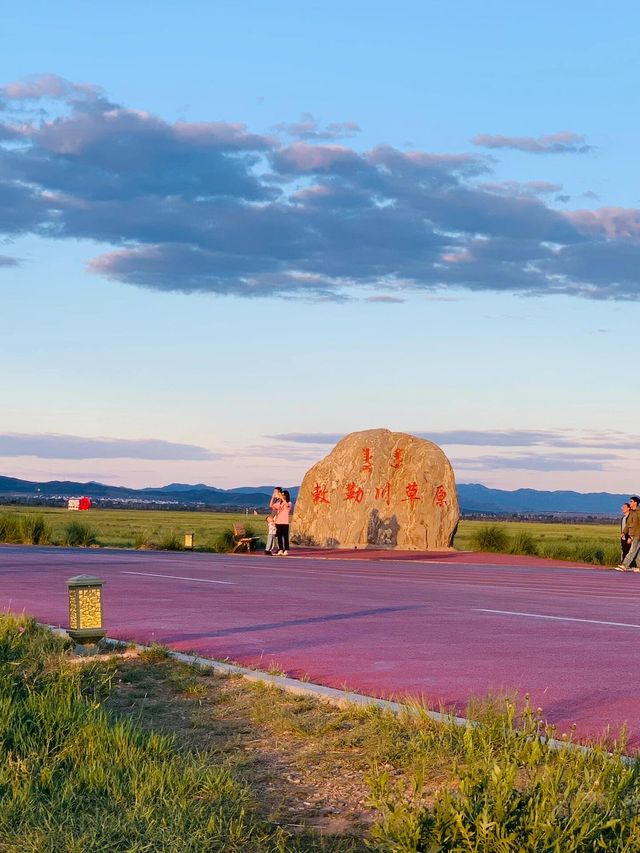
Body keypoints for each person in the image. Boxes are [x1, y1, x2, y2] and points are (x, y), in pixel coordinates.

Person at [616, 495, 640, 571]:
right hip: (633, 534)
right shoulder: (632, 512)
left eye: (631, 501)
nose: (630, 503)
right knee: (637, 552)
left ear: (635, 503)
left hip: (637, 534)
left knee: (632, 550)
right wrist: (624, 532)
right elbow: (628, 524)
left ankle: (624, 565)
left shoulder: (638, 512)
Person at [270, 487, 292, 556]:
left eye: (283, 495)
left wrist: (281, 498)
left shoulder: (289, 503)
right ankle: (281, 550)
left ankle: (286, 550)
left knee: (285, 537)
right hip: (278, 522)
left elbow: (287, 505)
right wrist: (273, 497)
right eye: (281, 495)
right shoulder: (279, 503)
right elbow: (271, 505)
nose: (281, 496)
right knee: (279, 537)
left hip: (285, 522)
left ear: (286, 495)